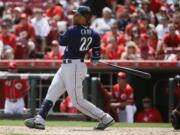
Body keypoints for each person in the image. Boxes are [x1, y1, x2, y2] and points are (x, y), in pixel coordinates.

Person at [24, 6, 114, 130]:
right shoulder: (95, 34)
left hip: (74, 67)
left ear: (84, 18)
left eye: (77, 15)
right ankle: (40, 120)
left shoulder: (72, 30)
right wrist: (94, 58)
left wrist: (61, 31)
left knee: (77, 101)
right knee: (52, 91)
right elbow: (96, 57)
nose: (74, 17)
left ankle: (104, 118)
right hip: (70, 66)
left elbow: (61, 42)